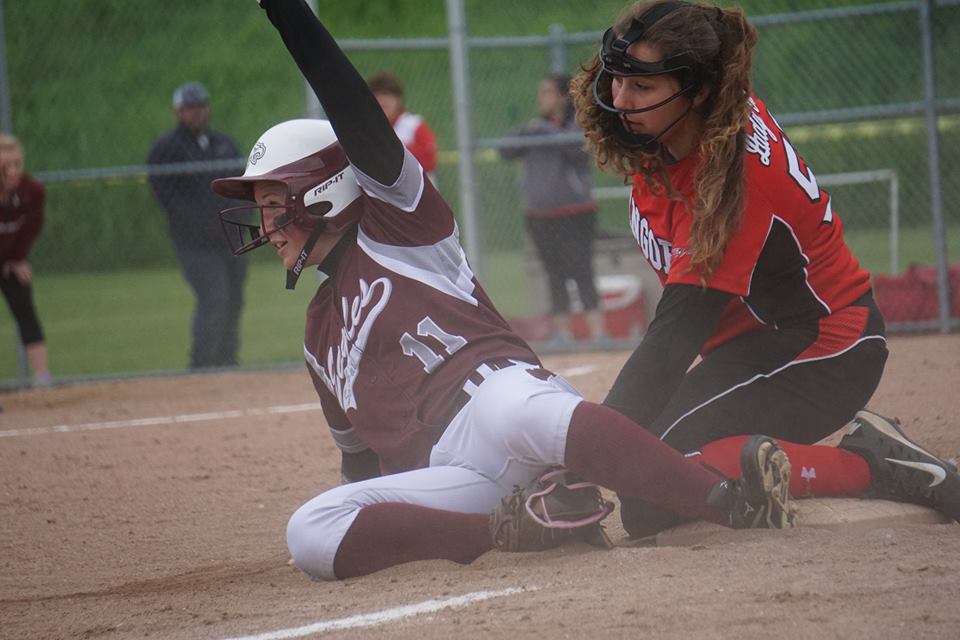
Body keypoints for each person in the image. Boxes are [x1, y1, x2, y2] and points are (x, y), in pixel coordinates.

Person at [210, 0, 798, 583]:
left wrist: (286, 10)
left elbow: (349, 104)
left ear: (325, 192)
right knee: (309, 531)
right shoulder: (318, 337)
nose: (266, 227)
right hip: (453, 479)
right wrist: (362, 523)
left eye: (273, 203)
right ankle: (525, 527)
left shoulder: (400, 224)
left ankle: (729, 501)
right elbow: (359, 467)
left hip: (496, 405)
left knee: (514, 407)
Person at [569, 0, 960, 537]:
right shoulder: (694, 124)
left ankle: (874, 463)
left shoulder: (732, 184)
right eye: (616, 78)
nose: (619, 99)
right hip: (757, 345)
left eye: (642, 86)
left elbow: (672, 342)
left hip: (824, 350)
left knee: (652, 495)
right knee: (652, 472)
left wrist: (582, 461)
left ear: (698, 90)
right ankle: (748, 460)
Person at [147, 81, 247, 369]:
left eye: (201, 106)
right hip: (194, 243)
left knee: (234, 299)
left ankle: (228, 360)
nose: (197, 113)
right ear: (178, 111)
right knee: (214, 297)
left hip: (231, 239)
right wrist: (203, 225)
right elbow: (167, 198)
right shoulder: (167, 149)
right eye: (190, 108)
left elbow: (243, 186)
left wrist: (241, 223)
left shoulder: (223, 144)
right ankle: (203, 364)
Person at [500, 74, 606, 345]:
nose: (542, 97)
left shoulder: (575, 124)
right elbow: (505, 151)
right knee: (554, 272)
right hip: (540, 215)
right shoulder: (534, 128)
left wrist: (543, 131)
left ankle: (598, 332)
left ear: (562, 97)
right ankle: (563, 332)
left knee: (581, 268)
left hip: (575, 212)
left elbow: (577, 147)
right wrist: (529, 130)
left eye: (547, 92)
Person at [0, 133, 51, 388]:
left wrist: (17, 258)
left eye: (17, 165)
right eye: (5, 167)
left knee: (25, 309)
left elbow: (32, 228)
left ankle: (42, 380)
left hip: (11, 260)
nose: (12, 172)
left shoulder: (31, 191)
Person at [366, 70, 439, 185]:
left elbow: (429, 159)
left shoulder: (413, 124)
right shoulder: (366, 129)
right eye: (377, 95)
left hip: (417, 195)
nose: (382, 100)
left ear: (399, 99)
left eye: (387, 95)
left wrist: (389, 153)